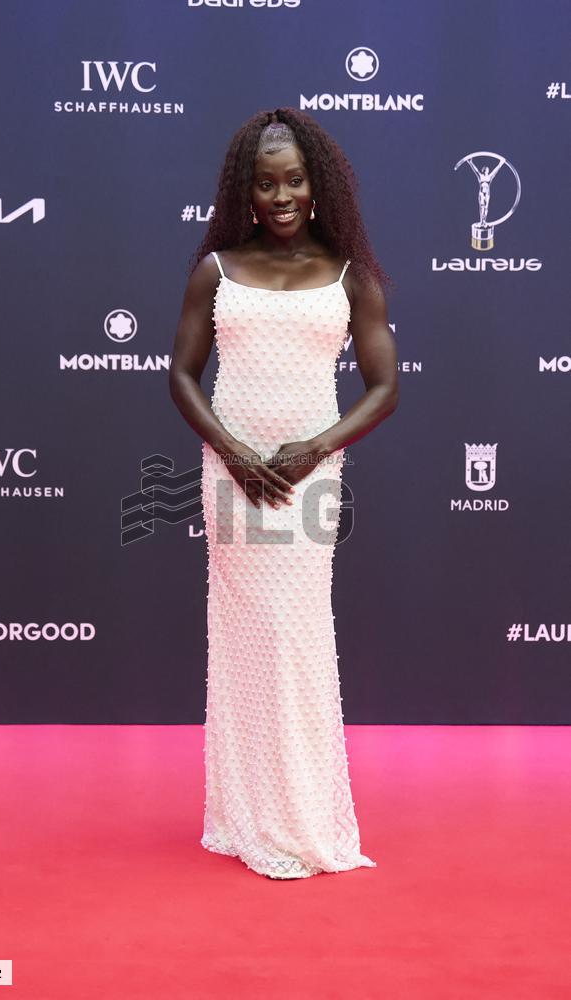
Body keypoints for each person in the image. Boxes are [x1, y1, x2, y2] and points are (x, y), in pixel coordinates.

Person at [169, 107, 398, 879]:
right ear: (245, 189)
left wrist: (316, 447)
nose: (281, 195)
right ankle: (246, 814)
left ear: (317, 183)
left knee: (297, 632)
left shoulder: (349, 273)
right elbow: (181, 374)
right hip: (231, 479)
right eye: (265, 183)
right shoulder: (217, 269)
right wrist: (230, 448)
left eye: (294, 179)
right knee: (244, 635)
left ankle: (302, 814)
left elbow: (384, 386)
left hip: (310, 477)